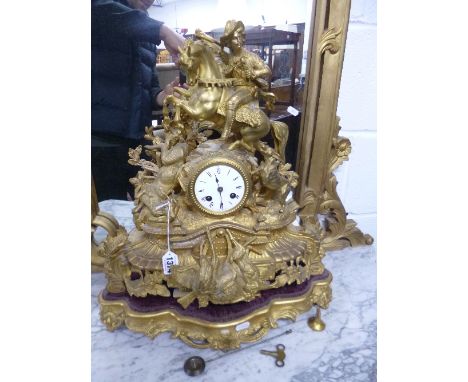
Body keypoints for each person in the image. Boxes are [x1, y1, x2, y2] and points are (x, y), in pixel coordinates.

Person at [91, 0, 185, 201]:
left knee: (147, 207)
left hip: (136, 141)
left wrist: (162, 96)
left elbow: (149, 86)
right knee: (105, 217)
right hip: (100, 143)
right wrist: (163, 30)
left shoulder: (146, 31)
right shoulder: (102, 9)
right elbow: (106, 11)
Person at [218, 20, 272, 139]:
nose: (238, 41)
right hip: (232, 88)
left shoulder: (251, 56)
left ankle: (225, 133)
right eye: (234, 39)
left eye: (239, 38)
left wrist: (255, 73)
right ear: (228, 42)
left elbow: (267, 70)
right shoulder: (230, 57)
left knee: (231, 103)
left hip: (247, 89)